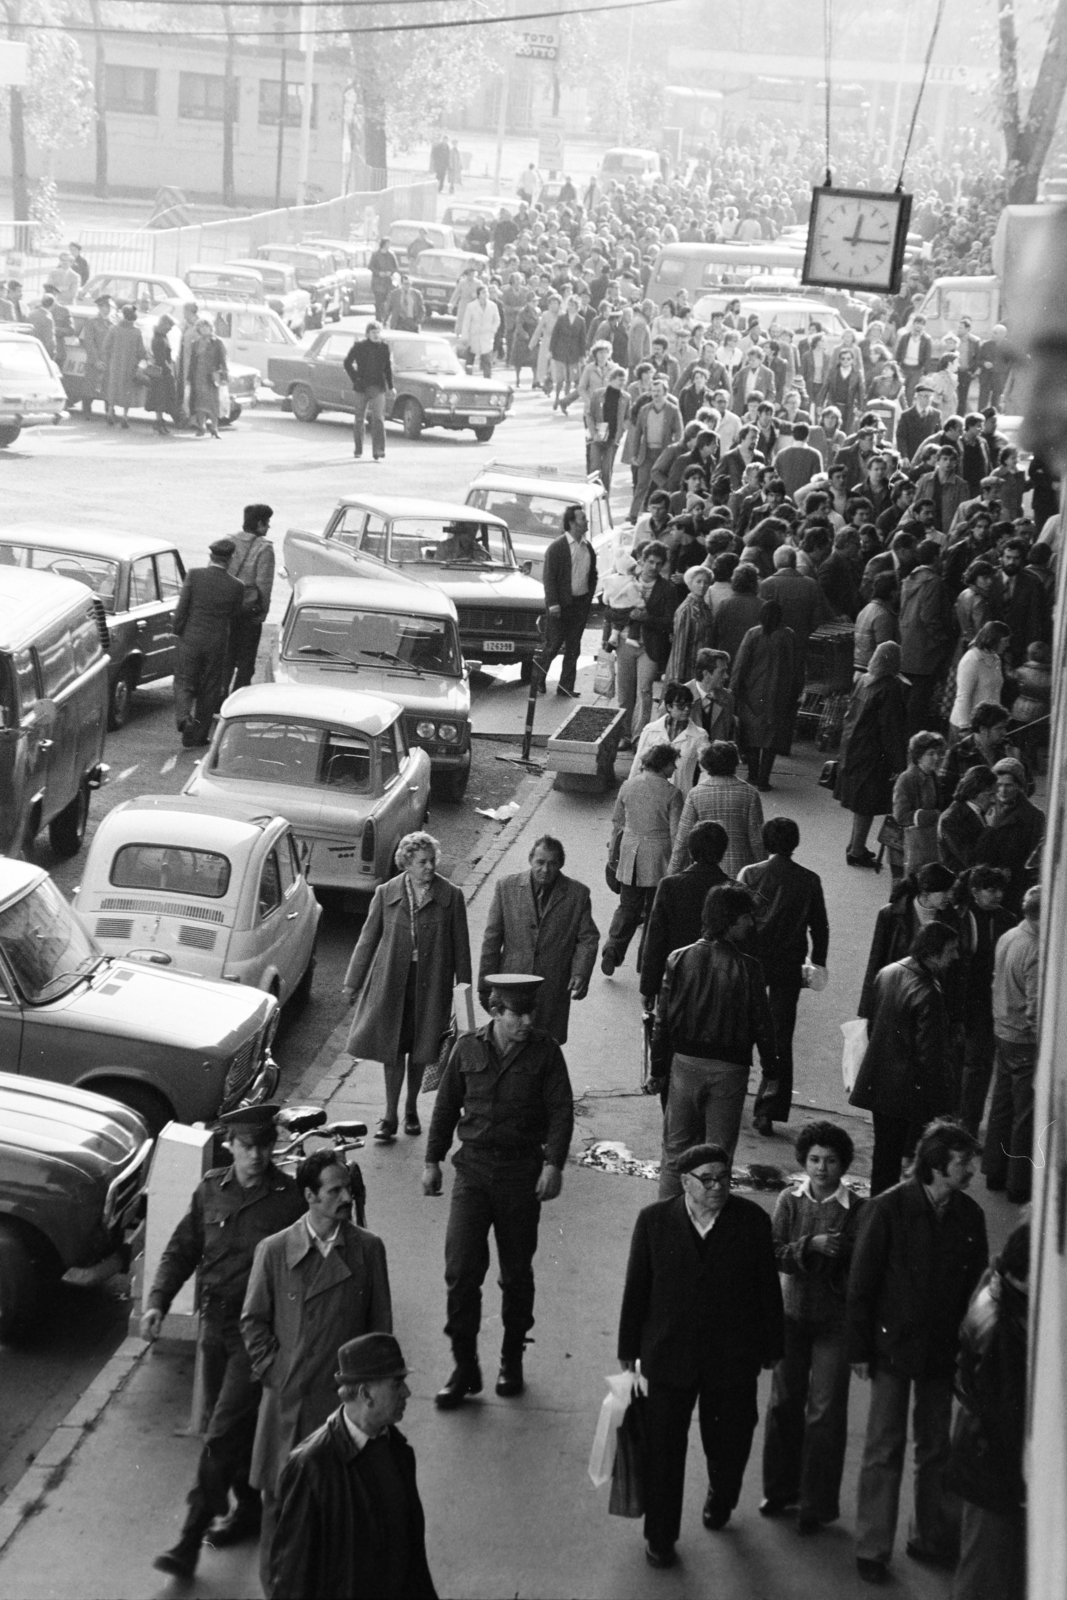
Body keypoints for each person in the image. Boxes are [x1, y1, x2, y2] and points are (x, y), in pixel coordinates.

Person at [142, 1107, 305, 1581]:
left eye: (264, 1145)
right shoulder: (211, 1190)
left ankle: (188, 1542)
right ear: (228, 1144)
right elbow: (182, 1249)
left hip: (257, 1335)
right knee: (228, 1425)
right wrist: (157, 1300)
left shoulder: (289, 1200)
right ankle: (251, 1509)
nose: (257, 1155)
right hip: (213, 1327)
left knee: (220, 1433)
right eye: (246, 1145)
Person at [617, 1141, 784, 1567]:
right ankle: (660, 1535)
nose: (716, 1187)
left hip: (732, 1358)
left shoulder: (751, 1221)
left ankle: (721, 1496)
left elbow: (768, 1289)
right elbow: (637, 1289)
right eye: (706, 1179)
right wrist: (627, 1349)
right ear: (684, 1183)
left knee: (730, 1441)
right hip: (669, 1355)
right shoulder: (654, 1221)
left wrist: (772, 1347)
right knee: (664, 1450)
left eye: (723, 1178)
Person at [241, 1148, 393, 1592]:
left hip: (342, 1412)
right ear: (310, 1196)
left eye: (347, 1187)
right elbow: (253, 1321)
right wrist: (277, 1372)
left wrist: (372, 1401)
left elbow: (380, 1333)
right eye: (336, 1190)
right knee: (279, 1506)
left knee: (339, 1513)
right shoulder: (273, 1251)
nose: (347, 1196)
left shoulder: (368, 1249)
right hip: (287, 1405)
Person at [848, 1118, 988, 1585]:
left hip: (941, 1352)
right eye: (963, 1162)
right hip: (892, 1348)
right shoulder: (886, 1209)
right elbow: (861, 1285)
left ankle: (931, 1535)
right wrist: (860, 1349)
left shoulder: (970, 1215)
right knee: (884, 1447)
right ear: (936, 1166)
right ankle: (872, 1547)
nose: (972, 1170)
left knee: (935, 1448)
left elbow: (975, 1290)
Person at [424, 973, 574, 1406]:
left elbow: (560, 1111)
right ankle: (464, 1365)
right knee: (461, 1270)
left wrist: (553, 1165)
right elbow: (447, 1105)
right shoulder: (467, 1047)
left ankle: (512, 1357)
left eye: (531, 1012)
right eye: (518, 1013)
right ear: (495, 1012)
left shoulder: (546, 1053)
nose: (527, 1020)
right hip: (472, 1173)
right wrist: (432, 1161)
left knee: (515, 1272)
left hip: (520, 1175)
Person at [268, 1333, 437, 1600]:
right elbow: (292, 1579)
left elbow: (413, 1558)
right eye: (397, 1384)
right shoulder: (310, 1467)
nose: (407, 1392)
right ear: (366, 1394)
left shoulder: (399, 1452)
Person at [760, 1121, 865, 1533]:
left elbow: (861, 1265)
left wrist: (842, 1252)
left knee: (825, 1412)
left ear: (844, 1165)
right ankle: (780, 1489)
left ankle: (816, 1503)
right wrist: (812, 1246)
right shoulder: (790, 1200)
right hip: (791, 1317)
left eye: (831, 1161)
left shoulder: (856, 1208)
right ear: (803, 1160)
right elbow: (773, 1254)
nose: (822, 1168)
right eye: (815, 1160)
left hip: (833, 1325)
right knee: (784, 1404)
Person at [343, 830, 471, 1143]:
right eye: (423, 862)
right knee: (392, 1049)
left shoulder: (450, 896)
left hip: (432, 985)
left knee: (421, 1049)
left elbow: (462, 949)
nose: (430, 867)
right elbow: (367, 939)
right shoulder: (387, 893)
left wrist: (464, 993)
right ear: (407, 863)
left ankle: (411, 1108)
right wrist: (352, 983)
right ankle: (390, 1114)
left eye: (432, 861)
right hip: (391, 983)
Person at [652, 883, 775, 1178]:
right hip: (730, 1069)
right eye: (746, 916)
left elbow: (663, 1020)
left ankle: (668, 1216)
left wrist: (658, 1068)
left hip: (684, 1064)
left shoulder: (678, 959)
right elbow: (762, 1024)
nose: (751, 922)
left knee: (675, 1151)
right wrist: (772, 1070)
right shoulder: (749, 967)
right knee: (718, 1155)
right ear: (730, 920)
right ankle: (709, 1218)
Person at [948, 1224, 1029, 1600]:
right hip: (992, 1468)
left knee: (982, 1566)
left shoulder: (993, 1294)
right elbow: (1004, 1413)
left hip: (980, 1459)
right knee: (985, 1576)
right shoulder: (1004, 1326)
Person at [852, 922, 962, 1196]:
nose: (955, 957)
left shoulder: (888, 972)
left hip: (878, 1080)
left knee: (884, 1154)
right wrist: (942, 1106)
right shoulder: (929, 993)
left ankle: (878, 1206)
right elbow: (931, 1056)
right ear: (933, 953)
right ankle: (886, 1213)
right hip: (905, 1090)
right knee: (903, 1157)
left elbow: (874, 1023)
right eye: (951, 951)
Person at [738, 818, 829, 1136]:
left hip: (751, 962)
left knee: (741, 1027)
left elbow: (738, 917)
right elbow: (820, 926)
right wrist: (818, 963)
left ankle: (734, 1095)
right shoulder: (809, 880)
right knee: (779, 1037)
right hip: (788, 966)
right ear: (795, 843)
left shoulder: (751, 874)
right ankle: (768, 1109)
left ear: (765, 843)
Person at [477, 835, 598, 1045]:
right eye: (540, 862)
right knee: (510, 1045)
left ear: (560, 864)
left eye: (552, 864)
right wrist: (485, 984)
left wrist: (580, 972)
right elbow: (492, 939)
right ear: (530, 860)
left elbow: (587, 937)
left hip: (552, 988)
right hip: (512, 987)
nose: (545, 869)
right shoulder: (506, 888)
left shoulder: (577, 895)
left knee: (545, 1048)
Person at [602, 743, 683, 975]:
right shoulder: (672, 793)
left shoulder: (628, 786)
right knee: (654, 913)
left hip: (630, 854)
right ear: (662, 764)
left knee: (627, 907)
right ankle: (644, 961)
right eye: (672, 763)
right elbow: (676, 833)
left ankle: (612, 949)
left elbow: (617, 823)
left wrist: (612, 856)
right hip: (659, 858)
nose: (674, 768)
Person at [982, 885, 1040, 1204]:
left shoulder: (1010, 936)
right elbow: (1035, 1006)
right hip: (1024, 1039)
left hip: (1002, 1030)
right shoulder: (1036, 949)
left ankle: (994, 1169)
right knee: (1025, 1113)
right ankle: (1019, 1183)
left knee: (1002, 1104)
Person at [640, 819, 730, 1009]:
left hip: (677, 980)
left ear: (690, 851)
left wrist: (648, 988)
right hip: (720, 984)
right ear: (723, 852)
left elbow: (655, 940)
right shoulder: (733, 889)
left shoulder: (669, 886)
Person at [835, 640, 908, 868]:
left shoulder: (864, 681)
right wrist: (899, 763)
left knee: (859, 802)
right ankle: (856, 850)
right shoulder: (890, 687)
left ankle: (855, 844)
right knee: (866, 804)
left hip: (854, 748)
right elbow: (891, 729)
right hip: (873, 753)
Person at [172, 538, 245, 747]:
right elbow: (235, 614)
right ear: (229, 560)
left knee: (184, 680)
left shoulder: (194, 575)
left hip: (191, 637)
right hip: (216, 641)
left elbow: (182, 606)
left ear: (211, 557)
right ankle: (197, 736)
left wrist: (178, 630)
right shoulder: (237, 586)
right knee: (209, 688)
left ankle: (183, 718)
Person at [669, 738, 764, 879]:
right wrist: (762, 867)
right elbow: (756, 838)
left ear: (706, 764)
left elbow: (683, 837)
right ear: (735, 762)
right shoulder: (749, 793)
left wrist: (672, 871)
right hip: (740, 869)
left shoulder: (696, 793)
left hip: (704, 868)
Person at [614, 539, 678, 742]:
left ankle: (638, 735)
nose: (654, 567)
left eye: (659, 563)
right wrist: (626, 617)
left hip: (649, 646)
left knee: (644, 690)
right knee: (625, 692)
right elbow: (609, 609)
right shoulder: (626, 579)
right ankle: (624, 733)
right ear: (642, 560)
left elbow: (669, 621)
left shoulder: (667, 588)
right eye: (650, 562)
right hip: (625, 641)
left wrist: (646, 618)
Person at [730, 600, 796, 791]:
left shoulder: (753, 634)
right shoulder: (787, 635)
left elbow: (741, 663)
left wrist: (734, 687)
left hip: (753, 690)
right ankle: (764, 778)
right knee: (771, 736)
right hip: (779, 692)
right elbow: (792, 666)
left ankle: (752, 773)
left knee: (751, 731)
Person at [538, 504, 597, 699]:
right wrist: (553, 603)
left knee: (574, 647)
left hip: (580, 605)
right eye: (582, 519)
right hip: (560, 606)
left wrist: (588, 598)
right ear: (571, 523)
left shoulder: (587, 547)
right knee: (553, 645)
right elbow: (549, 578)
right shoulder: (558, 547)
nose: (586, 522)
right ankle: (538, 679)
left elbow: (592, 575)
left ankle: (566, 687)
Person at [974, 756, 1044, 915]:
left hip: (1015, 890)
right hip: (986, 889)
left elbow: (1034, 863)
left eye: (1009, 785)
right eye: (998, 785)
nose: (1003, 791)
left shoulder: (1034, 817)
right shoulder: (984, 809)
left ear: (1020, 787)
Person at [227, 503, 275, 693]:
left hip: (227, 608)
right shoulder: (264, 549)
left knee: (226, 658)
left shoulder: (228, 541)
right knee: (246, 662)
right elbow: (264, 585)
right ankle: (238, 698)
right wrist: (263, 612)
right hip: (249, 611)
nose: (269, 527)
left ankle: (218, 700)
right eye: (268, 522)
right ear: (260, 523)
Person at [888, 729, 946, 880]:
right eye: (931, 753)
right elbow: (900, 816)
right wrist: (933, 816)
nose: (937, 758)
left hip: (924, 845)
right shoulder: (906, 779)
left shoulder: (933, 776)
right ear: (919, 756)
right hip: (903, 847)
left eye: (938, 753)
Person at [343, 321, 394, 462]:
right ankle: (358, 449)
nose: (376, 335)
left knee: (378, 418)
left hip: (378, 388)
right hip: (361, 387)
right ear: (367, 334)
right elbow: (347, 363)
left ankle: (378, 451)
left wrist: (391, 386)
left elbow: (388, 368)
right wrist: (355, 379)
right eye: (373, 333)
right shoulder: (359, 347)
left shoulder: (384, 348)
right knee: (359, 418)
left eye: (378, 332)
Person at [950, 621, 1010, 738]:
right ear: (993, 640)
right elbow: (963, 696)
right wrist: (965, 727)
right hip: (966, 726)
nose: (1007, 645)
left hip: (986, 725)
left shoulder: (996, 659)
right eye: (1005, 641)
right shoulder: (971, 660)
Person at [939, 765, 998, 877]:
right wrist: (990, 828)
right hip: (962, 884)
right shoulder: (950, 819)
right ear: (974, 792)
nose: (994, 800)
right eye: (990, 795)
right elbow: (971, 861)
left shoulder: (979, 810)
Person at [663, 564, 714, 684]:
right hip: (686, 671)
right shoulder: (686, 609)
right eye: (698, 581)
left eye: (706, 582)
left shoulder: (705, 608)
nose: (702, 586)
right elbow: (679, 645)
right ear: (690, 583)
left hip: (700, 668)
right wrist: (677, 677)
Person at [103, 302, 145, 429]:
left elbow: (106, 347)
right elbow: (141, 351)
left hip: (115, 364)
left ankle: (110, 411)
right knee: (127, 390)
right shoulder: (137, 332)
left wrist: (109, 359)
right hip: (130, 365)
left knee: (113, 387)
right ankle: (125, 417)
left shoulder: (114, 329)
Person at [188, 315, 228, 438]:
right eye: (202, 327)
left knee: (213, 403)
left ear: (211, 328)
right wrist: (189, 378)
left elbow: (223, 359)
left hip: (212, 376)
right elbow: (193, 362)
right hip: (199, 376)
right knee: (200, 403)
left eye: (207, 327)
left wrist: (225, 375)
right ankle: (201, 426)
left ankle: (214, 427)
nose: (204, 330)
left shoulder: (217, 342)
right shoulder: (196, 343)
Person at [684, 647, 735, 742]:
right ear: (706, 674)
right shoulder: (678, 695)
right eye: (722, 672)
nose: (726, 676)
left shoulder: (727, 698)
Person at [79, 295, 112, 417]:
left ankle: (109, 412)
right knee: (90, 387)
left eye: (109, 306)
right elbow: (89, 342)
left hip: (108, 361)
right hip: (95, 360)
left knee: (107, 388)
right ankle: (87, 411)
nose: (107, 309)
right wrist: (95, 360)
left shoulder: (113, 322)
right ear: (99, 307)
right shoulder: (92, 322)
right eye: (104, 306)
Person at [146, 312, 178, 435]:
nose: (170, 329)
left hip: (161, 372)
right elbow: (160, 358)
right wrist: (168, 369)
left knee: (160, 400)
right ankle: (159, 423)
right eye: (169, 326)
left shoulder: (161, 336)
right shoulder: (159, 338)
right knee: (160, 399)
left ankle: (159, 422)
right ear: (164, 325)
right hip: (161, 373)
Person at [459, 282, 500, 379]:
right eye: (483, 292)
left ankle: (487, 381)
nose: (486, 294)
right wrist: (465, 337)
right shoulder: (471, 306)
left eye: (487, 292)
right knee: (470, 360)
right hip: (473, 336)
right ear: (478, 294)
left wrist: (492, 331)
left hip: (486, 337)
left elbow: (497, 320)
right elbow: (466, 322)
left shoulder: (493, 306)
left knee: (486, 361)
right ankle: (467, 379)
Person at [368, 237, 399, 321]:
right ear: (383, 244)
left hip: (388, 282)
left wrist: (390, 272)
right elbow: (370, 266)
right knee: (379, 301)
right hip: (377, 282)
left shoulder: (391, 255)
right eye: (387, 243)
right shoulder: (376, 255)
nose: (389, 245)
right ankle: (378, 319)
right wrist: (378, 273)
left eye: (390, 244)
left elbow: (396, 267)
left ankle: (385, 318)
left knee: (387, 302)